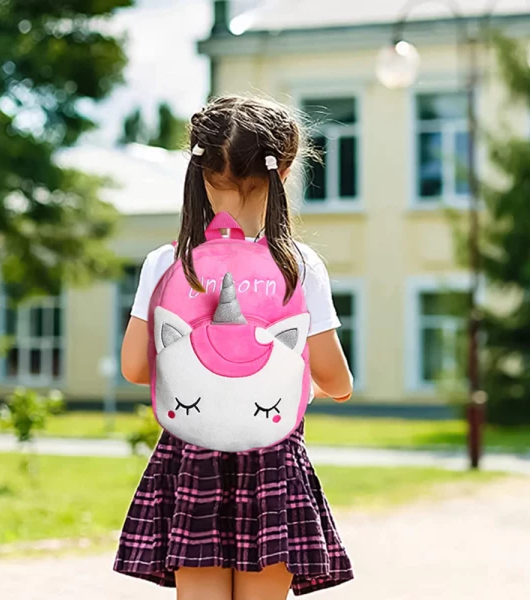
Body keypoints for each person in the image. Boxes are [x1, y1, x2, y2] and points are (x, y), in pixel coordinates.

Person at [114, 95, 354, 599]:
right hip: (271, 456)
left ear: (197, 169)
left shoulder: (167, 263)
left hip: (192, 455)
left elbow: (136, 367)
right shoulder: (299, 266)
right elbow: (337, 383)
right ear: (283, 171)